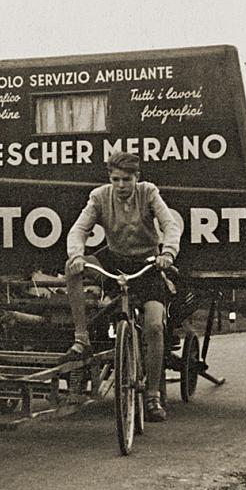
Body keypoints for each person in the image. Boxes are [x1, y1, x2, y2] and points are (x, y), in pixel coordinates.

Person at [65, 151, 180, 422]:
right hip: (115, 261)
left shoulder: (149, 192)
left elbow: (169, 225)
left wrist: (168, 254)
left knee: (153, 326)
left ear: (136, 178)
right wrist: (77, 255)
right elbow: (78, 230)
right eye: (115, 179)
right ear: (109, 178)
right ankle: (81, 338)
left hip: (148, 264)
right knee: (72, 270)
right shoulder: (99, 196)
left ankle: (152, 395)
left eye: (126, 180)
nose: (121, 186)